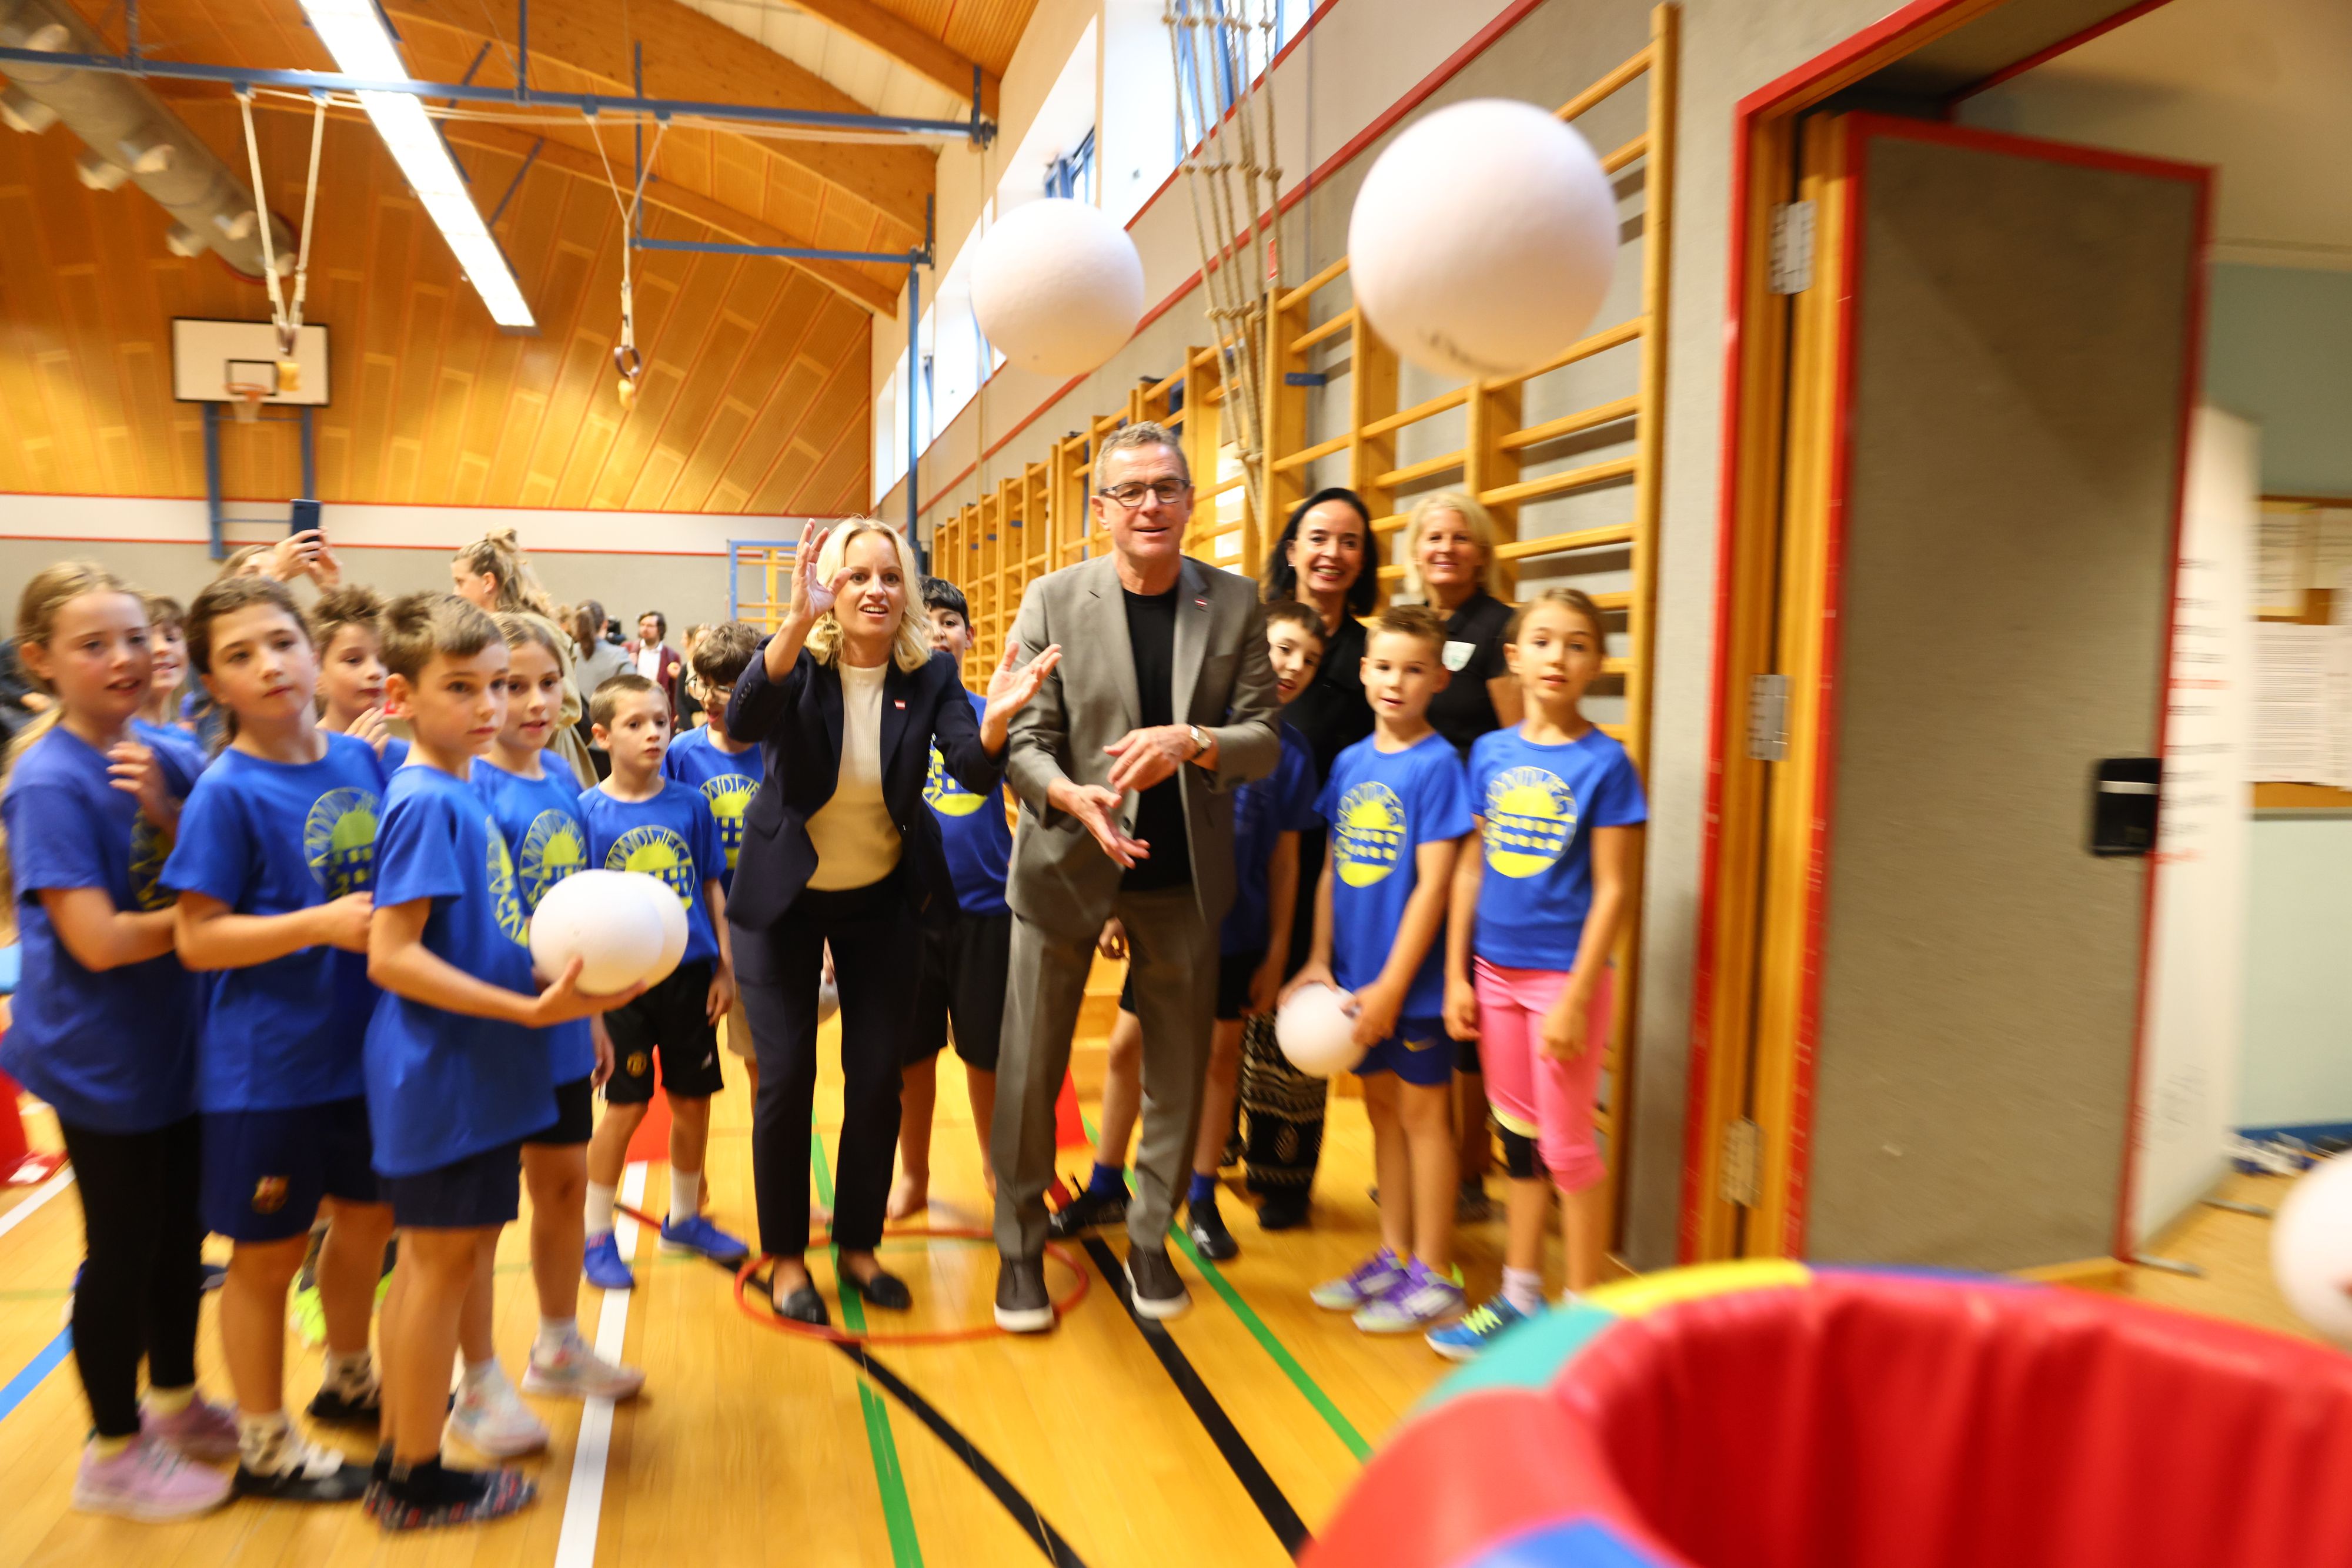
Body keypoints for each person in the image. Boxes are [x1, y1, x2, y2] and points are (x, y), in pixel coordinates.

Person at [725, 519, 1055, 1326]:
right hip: (784, 900)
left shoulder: (930, 672)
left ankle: (860, 1245)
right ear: (829, 587)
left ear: (905, 589)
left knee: (878, 1077)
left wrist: (995, 719)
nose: (875, 588)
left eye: (890, 575)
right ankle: (787, 1258)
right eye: (856, 575)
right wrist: (794, 622)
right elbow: (744, 719)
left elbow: (971, 769)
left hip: (881, 898)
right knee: (787, 1078)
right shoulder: (799, 661)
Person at [991, 421, 1281, 1332]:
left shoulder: (1234, 603)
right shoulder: (1050, 599)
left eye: (1166, 487)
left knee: (1176, 1069)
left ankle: (1151, 1234)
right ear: (1101, 508)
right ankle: (1019, 1246)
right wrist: (1067, 794)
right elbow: (1023, 740)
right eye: (1130, 491)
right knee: (1030, 1068)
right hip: (1064, 862)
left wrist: (1193, 740)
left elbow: (1264, 739)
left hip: (1182, 875)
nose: (1149, 504)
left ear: (1191, 501)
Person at [362, 592, 633, 1530]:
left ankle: (403, 1459)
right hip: (445, 1071)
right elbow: (391, 954)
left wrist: (564, 1000)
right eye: (464, 687)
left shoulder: (454, 787)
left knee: (439, 1263)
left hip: (469, 1068)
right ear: (401, 697)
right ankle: (413, 1477)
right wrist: (526, 1009)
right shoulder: (431, 798)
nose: (489, 705)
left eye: (496, 684)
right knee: (437, 1268)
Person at [0, 562, 229, 1521]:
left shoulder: (166, 748)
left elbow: (218, 861)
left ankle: (174, 1398)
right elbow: (96, 940)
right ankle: (112, 1449)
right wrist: (216, 927)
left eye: (135, 636)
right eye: (93, 644)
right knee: (124, 1247)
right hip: (100, 1055)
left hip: (176, 1038)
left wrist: (172, 817)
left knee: (181, 1235)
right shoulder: (47, 782)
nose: (125, 657)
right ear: (40, 660)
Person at [1057, 598, 1325, 1260]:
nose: (1293, 666)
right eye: (1282, 648)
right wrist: (1114, 907)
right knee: (1127, 1049)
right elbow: (1131, 815)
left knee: (1217, 1060)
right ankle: (1107, 1183)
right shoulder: (1186, 729)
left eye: (1309, 659)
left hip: (1239, 935)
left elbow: (1287, 863)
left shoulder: (1292, 754)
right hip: (1168, 920)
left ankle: (1202, 1196)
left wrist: (1277, 953)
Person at [1428, 589, 1645, 1359]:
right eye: (1544, 641)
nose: (1558, 656)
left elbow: (1614, 890)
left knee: (1569, 1149)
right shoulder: (1491, 752)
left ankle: (1582, 1322)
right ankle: (1520, 1296)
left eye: (1577, 643)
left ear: (1597, 663)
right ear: (1515, 658)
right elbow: (1470, 866)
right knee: (1518, 1143)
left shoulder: (1606, 763)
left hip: (1563, 984)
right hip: (1493, 974)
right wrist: (1456, 974)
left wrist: (1577, 997)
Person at [1289, 604, 1473, 1334]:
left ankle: (1436, 1270)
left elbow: (1435, 885)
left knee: (1425, 1120)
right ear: (1364, 672)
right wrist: (1318, 958)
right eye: (1385, 666)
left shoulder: (1439, 765)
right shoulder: (1350, 763)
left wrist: (1396, 983)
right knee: (1383, 1115)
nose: (1397, 682)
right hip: (1354, 984)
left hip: (1411, 989)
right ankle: (1395, 1254)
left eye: (1414, 670)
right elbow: (1330, 870)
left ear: (1439, 679)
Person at [476, 613, 646, 1400]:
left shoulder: (559, 775)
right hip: (496, 1023)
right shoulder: (467, 783)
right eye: (512, 686)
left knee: (564, 1186)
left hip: (563, 1025)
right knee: (479, 1217)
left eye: (547, 682)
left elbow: (576, 909)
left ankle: (557, 1345)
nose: (535, 701)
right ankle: (475, 1372)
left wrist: (595, 1014)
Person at [578, 672, 746, 1286]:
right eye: (635, 724)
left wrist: (725, 967)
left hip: (689, 976)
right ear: (602, 736)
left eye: (660, 721)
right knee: (624, 1108)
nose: (653, 733)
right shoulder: (586, 813)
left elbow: (711, 885)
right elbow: (579, 913)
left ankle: (685, 1218)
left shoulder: (691, 804)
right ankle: (596, 1233)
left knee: (692, 1101)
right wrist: (590, 1007)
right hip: (621, 985)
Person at [1240, 487, 1378, 1231]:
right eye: (1318, 537)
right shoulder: (1248, 630)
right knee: (1228, 1013)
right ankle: (1213, 1152)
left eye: (1350, 541)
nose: (1332, 553)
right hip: (1236, 853)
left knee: (1292, 1010)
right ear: (1291, 548)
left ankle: (1285, 1176)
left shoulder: (1369, 655)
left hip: (1317, 861)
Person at [1403, 490, 1525, 1223]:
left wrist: (1487, 834)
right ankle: (1432, 1163)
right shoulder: (1410, 625)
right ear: (1415, 551)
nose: (1444, 548)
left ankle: (1471, 1172)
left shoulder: (1499, 627)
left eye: (1459, 538)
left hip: (1472, 847)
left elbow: (1514, 741)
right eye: (1433, 537)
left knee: (1465, 1010)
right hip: (1412, 841)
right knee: (1423, 998)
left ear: (1480, 553)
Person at [890, 577, 1012, 1219]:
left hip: (987, 911)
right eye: (926, 620)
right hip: (911, 913)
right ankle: (913, 1176)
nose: (938, 631)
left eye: (950, 621)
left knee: (987, 1052)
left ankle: (995, 1171)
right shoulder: (896, 714)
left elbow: (1037, 797)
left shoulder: (993, 712)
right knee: (913, 1054)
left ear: (969, 635)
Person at [664, 623, 766, 1100]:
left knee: (761, 1061)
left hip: (759, 926)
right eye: (702, 683)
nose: (708, 698)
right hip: (698, 927)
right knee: (691, 1081)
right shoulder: (681, 752)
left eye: (724, 687)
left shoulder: (777, 749)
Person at [449, 530, 594, 787]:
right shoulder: (485, 631)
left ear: (488, 582)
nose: (456, 592)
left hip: (545, 769)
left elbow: (570, 707)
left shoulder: (532, 629)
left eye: (460, 582)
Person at [309, 585, 406, 768]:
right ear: (316, 673)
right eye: (353, 660)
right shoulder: (299, 756)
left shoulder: (408, 758)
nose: (375, 672)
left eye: (383, 659)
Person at [136, 593, 197, 740]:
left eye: (171, 638)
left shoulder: (186, 738)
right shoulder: (117, 737)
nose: (163, 648)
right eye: (145, 640)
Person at [629, 611, 683, 711]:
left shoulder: (672, 656)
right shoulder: (628, 650)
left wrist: (674, 713)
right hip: (631, 704)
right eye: (642, 625)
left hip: (657, 706)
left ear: (660, 629)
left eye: (650, 626)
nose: (645, 629)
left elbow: (675, 690)